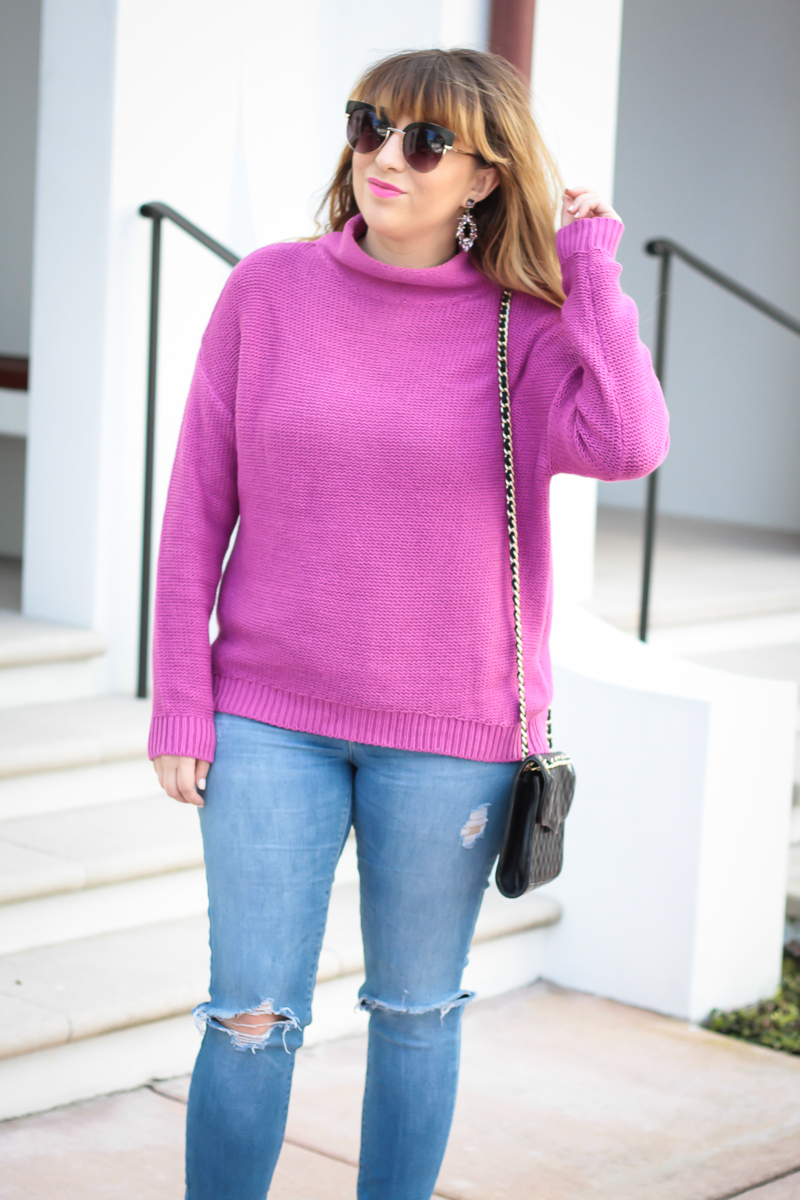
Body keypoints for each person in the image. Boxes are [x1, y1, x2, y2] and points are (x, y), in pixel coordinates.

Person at [149, 47, 669, 1200]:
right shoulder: (267, 292)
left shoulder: (525, 328)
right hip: (266, 716)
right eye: (370, 125)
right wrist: (180, 695)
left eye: (425, 141)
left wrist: (588, 266)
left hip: (450, 732)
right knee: (246, 1017)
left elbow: (629, 443)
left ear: (484, 177)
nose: (386, 155)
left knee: (417, 1015)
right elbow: (195, 504)